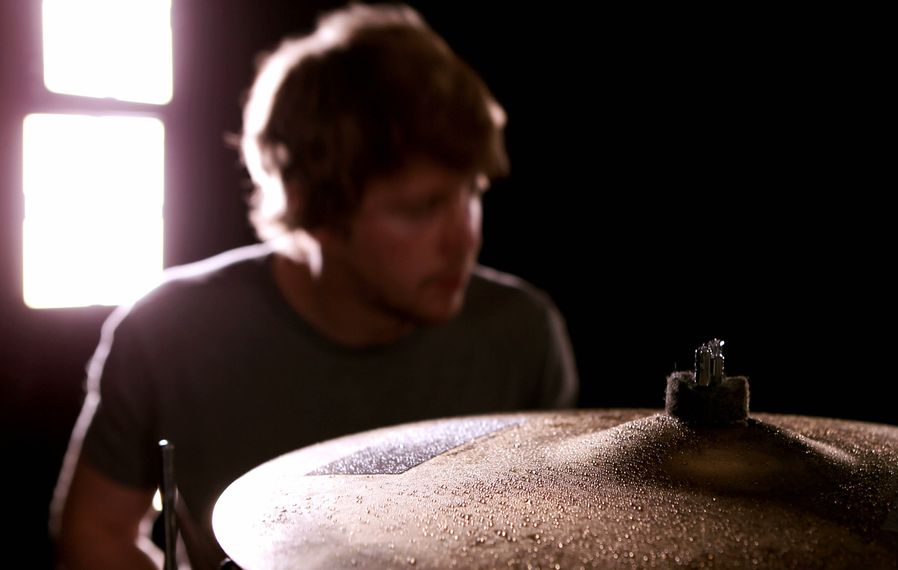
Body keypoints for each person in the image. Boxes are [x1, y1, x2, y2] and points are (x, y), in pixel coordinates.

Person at [50, 3, 578, 569]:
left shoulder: (522, 331)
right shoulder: (166, 330)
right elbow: (93, 532)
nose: (464, 236)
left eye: (471, 192)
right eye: (420, 207)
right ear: (312, 209)